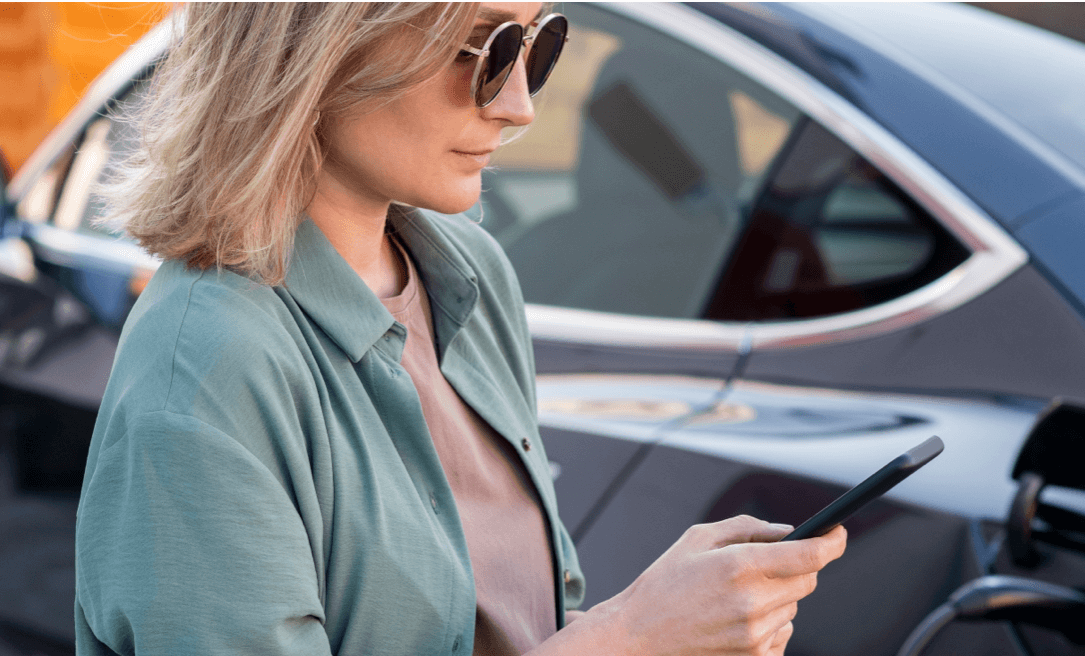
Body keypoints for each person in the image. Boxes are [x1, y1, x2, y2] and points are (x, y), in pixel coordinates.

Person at [74, 3, 848, 655]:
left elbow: (513, 631)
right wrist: (630, 635)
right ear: (324, 43)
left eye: (539, 46)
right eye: (488, 49)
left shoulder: (469, 274)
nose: (519, 105)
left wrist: (677, 621)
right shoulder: (207, 366)